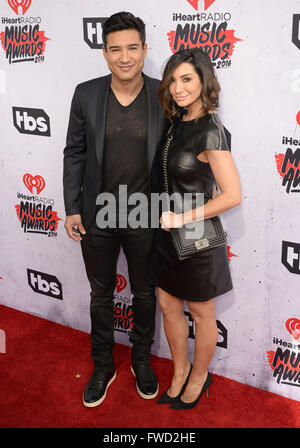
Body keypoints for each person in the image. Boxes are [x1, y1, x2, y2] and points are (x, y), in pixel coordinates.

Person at [63, 11, 167, 407]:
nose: (125, 57)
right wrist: (73, 206)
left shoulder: (164, 94)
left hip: (145, 213)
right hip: (97, 215)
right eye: (115, 49)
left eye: (132, 48)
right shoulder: (85, 94)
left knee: (144, 293)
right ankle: (102, 365)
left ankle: (141, 360)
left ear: (144, 49)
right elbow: (75, 152)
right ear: (104, 52)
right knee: (101, 293)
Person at [152, 48, 241, 410]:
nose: (178, 87)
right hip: (164, 234)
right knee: (167, 304)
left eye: (186, 79)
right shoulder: (177, 122)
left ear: (204, 81)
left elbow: (232, 195)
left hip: (196, 237)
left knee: (202, 313)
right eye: (173, 80)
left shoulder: (210, 130)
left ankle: (200, 377)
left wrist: (182, 218)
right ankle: (179, 370)